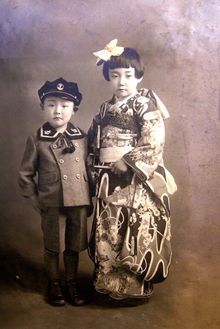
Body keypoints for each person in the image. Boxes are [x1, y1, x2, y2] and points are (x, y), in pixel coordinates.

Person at [87, 39, 177, 302]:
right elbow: (95, 141)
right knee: (108, 228)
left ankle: (133, 287)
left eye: (128, 75)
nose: (122, 82)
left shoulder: (144, 105)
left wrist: (127, 161)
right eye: (115, 76)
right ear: (108, 78)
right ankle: (108, 283)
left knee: (133, 229)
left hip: (134, 181)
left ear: (138, 76)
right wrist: (95, 168)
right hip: (108, 177)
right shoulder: (104, 109)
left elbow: (153, 141)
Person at [18, 77, 92, 306]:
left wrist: (92, 197)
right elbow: (25, 174)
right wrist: (35, 199)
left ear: (74, 109)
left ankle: (71, 283)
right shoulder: (37, 139)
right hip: (52, 202)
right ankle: (54, 283)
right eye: (51, 104)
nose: (57, 111)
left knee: (74, 246)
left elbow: (90, 168)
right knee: (53, 246)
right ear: (42, 108)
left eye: (64, 105)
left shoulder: (82, 138)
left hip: (79, 200)